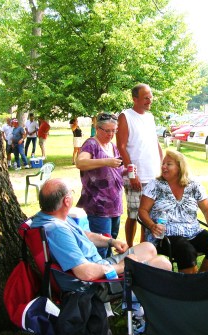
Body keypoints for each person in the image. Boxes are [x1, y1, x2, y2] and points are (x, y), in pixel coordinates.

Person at [31, 178, 172, 282]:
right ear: (67, 201)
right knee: (162, 264)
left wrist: (111, 241)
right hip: (98, 280)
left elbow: (82, 235)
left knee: (148, 248)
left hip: (101, 265)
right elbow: (85, 273)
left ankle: (137, 303)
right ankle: (138, 308)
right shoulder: (57, 230)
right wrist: (122, 266)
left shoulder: (53, 216)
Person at [138, 150, 208, 274]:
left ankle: (197, 280)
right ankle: (188, 288)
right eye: (163, 164)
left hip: (193, 231)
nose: (164, 167)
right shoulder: (155, 185)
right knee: (186, 251)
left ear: (180, 167)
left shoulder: (193, 185)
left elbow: (207, 209)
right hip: (164, 235)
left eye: (168, 164)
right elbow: (142, 211)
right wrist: (152, 226)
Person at [116, 84, 162, 247]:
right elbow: (121, 146)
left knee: (148, 214)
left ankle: (144, 246)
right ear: (135, 99)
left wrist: (162, 165)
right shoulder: (125, 116)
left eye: (150, 96)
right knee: (133, 214)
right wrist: (132, 174)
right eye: (146, 97)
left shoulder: (150, 117)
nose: (150, 100)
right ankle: (128, 246)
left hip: (153, 175)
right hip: (136, 175)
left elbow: (155, 142)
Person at [76, 112, 124, 258]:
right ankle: (98, 275)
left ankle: (108, 274)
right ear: (98, 129)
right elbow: (80, 163)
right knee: (100, 247)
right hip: (98, 205)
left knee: (112, 242)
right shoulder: (91, 144)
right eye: (107, 131)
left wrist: (127, 171)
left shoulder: (112, 146)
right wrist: (106, 161)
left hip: (115, 205)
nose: (111, 134)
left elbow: (115, 171)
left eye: (114, 131)